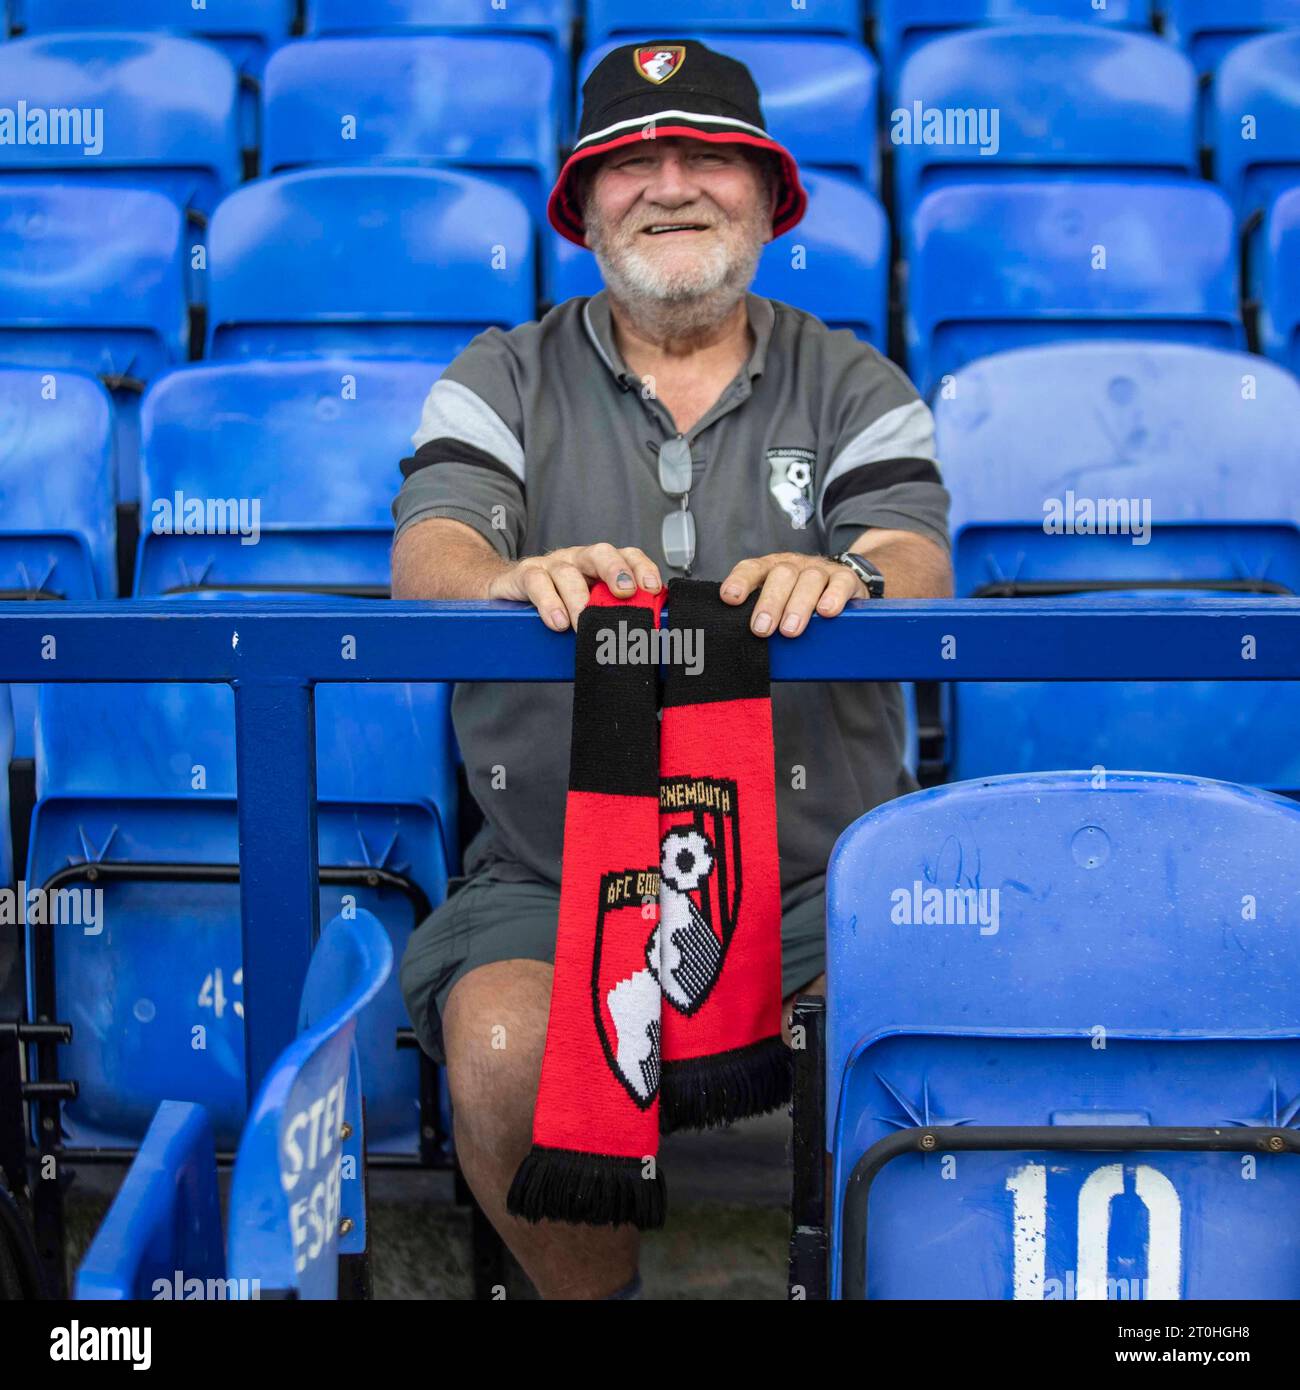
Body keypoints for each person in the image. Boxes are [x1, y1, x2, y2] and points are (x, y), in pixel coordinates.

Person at [391, 39, 952, 1298]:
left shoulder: (856, 378)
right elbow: (427, 552)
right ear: (583, 207)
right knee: (495, 1043)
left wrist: (848, 579)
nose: (671, 182)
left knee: (945, 1025)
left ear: (769, 199)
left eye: (708, 156)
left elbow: (913, 557)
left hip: (819, 879)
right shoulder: (500, 372)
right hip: (551, 873)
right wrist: (500, 577)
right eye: (631, 160)